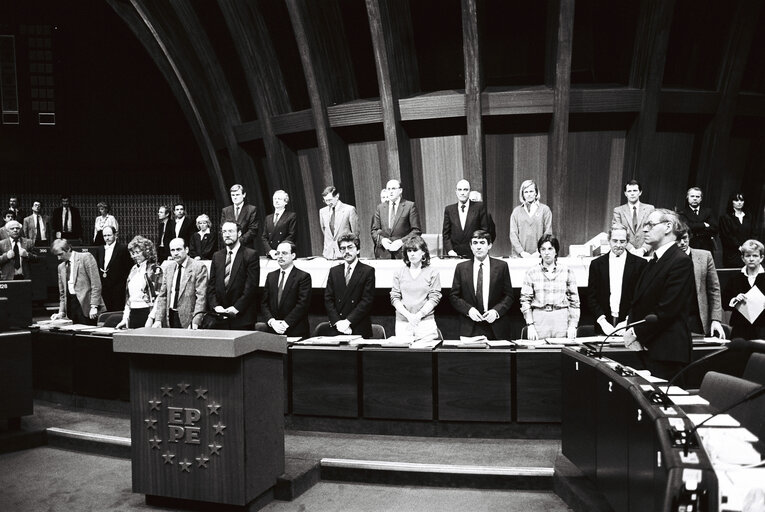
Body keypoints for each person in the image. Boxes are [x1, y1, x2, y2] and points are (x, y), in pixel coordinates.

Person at [624, 209, 695, 380]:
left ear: (668, 227)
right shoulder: (655, 260)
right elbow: (641, 301)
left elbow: (667, 310)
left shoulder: (680, 261)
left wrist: (635, 332)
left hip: (668, 352)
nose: (644, 230)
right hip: (649, 348)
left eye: (650, 224)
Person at [449, 230, 514, 340]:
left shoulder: (502, 266)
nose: (478, 247)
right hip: (470, 326)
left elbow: (509, 296)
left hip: (495, 326)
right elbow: (454, 296)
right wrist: (469, 310)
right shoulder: (461, 268)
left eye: (482, 243)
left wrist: (496, 312)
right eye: (475, 243)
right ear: (470, 246)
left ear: (489, 245)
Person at [586, 224, 647, 335]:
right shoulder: (596, 264)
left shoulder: (640, 264)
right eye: (615, 241)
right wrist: (602, 322)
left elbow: (641, 297)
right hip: (603, 323)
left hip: (630, 324)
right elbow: (591, 297)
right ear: (609, 240)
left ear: (628, 242)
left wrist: (628, 321)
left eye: (622, 241)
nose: (618, 245)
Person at [520, 234, 580, 339]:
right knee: (540, 352)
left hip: (561, 318)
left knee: (562, 352)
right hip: (539, 318)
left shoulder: (567, 271)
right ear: (539, 251)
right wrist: (530, 325)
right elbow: (525, 301)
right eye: (543, 249)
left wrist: (572, 325)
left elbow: (574, 301)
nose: (546, 252)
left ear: (556, 251)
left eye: (550, 249)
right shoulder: (531, 272)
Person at [207, 221, 260, 329]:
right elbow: (211, 286)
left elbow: (251, 287)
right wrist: (216, 306)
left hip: (242, 318)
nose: (227, 234)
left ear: (239, 233)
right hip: (219, 317)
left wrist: (236, 308)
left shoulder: (250, 255)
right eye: (224, 232)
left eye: (230, 231)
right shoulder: (217, 256)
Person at [677, 227, 725, 338]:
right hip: (676, 318)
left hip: (698, 318)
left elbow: (714, 289)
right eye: (678, 240)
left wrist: (716, 319)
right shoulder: (667, 259)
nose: (682, 243)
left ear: (689, 237)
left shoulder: (705, 256)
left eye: (685, 238)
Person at [324, 233, 375, 337]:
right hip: (337, 328)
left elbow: (366, 301)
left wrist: (348, 322)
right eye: (342, 248)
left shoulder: (367, 271)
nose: (346, 251)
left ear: (358, 250)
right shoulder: (334, 271)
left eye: (350, 247)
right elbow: (328, 299)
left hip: (358, 327)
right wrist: (338, 322)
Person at [150, 238, 208, 329]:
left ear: (186, 249)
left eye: (179, 249)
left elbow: (201, 297)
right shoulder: (169, 268)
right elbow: (163, 296)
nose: (175, 253)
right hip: (170, 317)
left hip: (189, 319)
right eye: (172, 250)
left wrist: (196, 321)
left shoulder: (198, 267)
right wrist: (158, 319)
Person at [390, 235, 442, 338]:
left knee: (426, 353)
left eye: (415, 250)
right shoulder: (399, 272)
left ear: (423, 252)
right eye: (409, 251)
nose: (412, 254)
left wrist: (418, 316)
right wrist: (409, 316)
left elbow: (434, 298)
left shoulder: (432, 272)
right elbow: (395, 297)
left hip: (425, 323)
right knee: (405, 353)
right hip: (403, 323)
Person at [258, 241, 312, 338]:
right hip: (273, 330)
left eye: (284, 253)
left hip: (295, 331)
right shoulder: (271, 276)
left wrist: (285, 324)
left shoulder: (303, 276)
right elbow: (264, 303)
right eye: (278, 253)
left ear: (293, 255)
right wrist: (272, 321)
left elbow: (302, 305)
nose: (280, 256)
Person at [50, 239, 103, 325]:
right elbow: (63, 294)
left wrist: (94, 306)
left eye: (60, 254)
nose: (58, 258)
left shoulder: (86, 257)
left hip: (87, 306)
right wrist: (61, 312)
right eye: (56, 255)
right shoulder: (61, 267)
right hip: (71, 306)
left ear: (68, 249)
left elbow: (96, 284)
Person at [115, 236, 163, 329]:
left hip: (147, 313)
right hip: (133, 313)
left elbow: (159, 297)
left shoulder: (155, 269)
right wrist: (125, 318)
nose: (134, 256)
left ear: (146, 251)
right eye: (132, 253)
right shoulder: (133, 269)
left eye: (137, 252)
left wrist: (151, 318)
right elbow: (129, 297)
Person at [723, 239, 765, 340]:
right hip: (740, 328)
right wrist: (735, 299)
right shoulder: (735, 279)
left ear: (761, 258)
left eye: (755, 256)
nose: (751, 259)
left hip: (763, 328)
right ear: (742, 258)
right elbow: (725, 303)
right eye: (748, 256)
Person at [370, 179, 421, 259]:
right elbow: (374, 231)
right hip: (384, 254)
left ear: (400, 190)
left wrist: (401, 242)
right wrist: (382, 241)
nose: (390, 191)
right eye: (388, 189)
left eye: (393, 189)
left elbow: (416, 231)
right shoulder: (380, 208)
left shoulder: (409, 206)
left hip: (403, 252)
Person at [443, 179, 489, 258]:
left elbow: (484, 231)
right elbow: (446, 234)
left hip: (474, 254)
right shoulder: (449, 210)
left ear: (469, 191)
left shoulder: (479, 207)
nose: (462, 193)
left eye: (465, 190)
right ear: (456, 192)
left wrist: (479, 248)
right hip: (455, 255)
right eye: (459, 190)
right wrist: (450, 250)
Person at [509, 180, 552, 258]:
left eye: (531, 191)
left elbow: (548, 232)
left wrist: (539, 251)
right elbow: (513, 234)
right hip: (520, 256)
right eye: (526, 192)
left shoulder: (545, 209)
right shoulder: (516, 211)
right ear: (522, 194)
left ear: (536, 193)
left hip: (540, 255)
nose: (529, 194)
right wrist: (521, 252)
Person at [612, 180, 654, 256]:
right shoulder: (618, 211)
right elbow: (617, 233)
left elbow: (653, 231)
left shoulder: (649, 209)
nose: (632, 193)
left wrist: (644, 249)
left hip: (646, 253)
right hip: (626, 253)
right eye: (629, 191)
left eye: (635, 190)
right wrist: (631, 249)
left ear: (640, 192)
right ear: (625, 193)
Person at [95, 226, 132, 312]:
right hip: (104, 286)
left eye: (109, 235)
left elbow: (128, 267)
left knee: (117, 311)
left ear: (115, 235)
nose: (107, 238)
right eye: (104, 236)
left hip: (118, 287)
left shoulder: (123, 248)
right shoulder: (100, 249)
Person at [319, 186, 358, 260]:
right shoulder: (322, 211)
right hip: (329, 254)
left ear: (337, 196)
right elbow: (324, 230)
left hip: (345, 252)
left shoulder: (349, 210)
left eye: (330, 200)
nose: (328, 203)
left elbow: (355, 233)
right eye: (326, 201)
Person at [718, 193, 754, 268]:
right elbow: (726, 236)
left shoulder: (749, 216)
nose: (739, 202)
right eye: (736, 200)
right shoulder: (725, 217)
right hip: (732, 254)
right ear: (732, 202)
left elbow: (753, 233)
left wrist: (749, 247)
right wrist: (740, 247)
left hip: (748, 252)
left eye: (741, 200)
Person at [220, 184, 259, 252]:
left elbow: (253, 230)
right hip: (230, 248)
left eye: (237, 195)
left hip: (246, 248)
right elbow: (221, 229)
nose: (235, 197)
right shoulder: (225, 211)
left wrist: (237, 242)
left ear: (244, 195)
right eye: (233, 195)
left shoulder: (251, 209)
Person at [678, 187, 717, 253]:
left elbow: (714, 228)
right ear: (687, 197)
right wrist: (703, 224)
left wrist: (695, 228)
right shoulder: (682, 212)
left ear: (701, 199)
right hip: (691, 245)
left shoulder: (708, 211)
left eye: (697, 196)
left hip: (706, 246)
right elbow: (687, 227)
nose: (695, 198)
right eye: (692, 196)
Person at [262, 190, 296, 259]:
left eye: (279, 199)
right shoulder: (268, 218)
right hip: (271, 255)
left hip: (284, 254)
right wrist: (270, 251)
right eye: (275, 199)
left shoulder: (291, 216)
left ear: (285, 202)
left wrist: (279, 251)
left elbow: (291, 235)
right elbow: (264, 237)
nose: (276, 201)